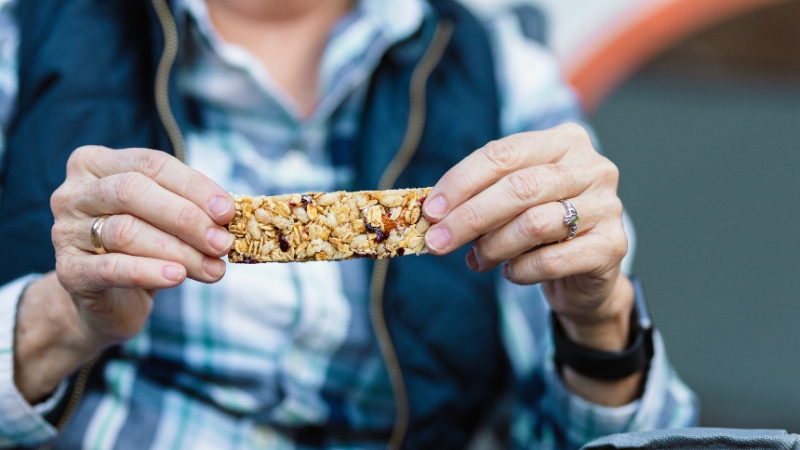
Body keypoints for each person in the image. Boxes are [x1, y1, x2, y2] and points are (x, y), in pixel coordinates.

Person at [0, 0, 697, 448]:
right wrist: (58, 322)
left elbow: (625, 437)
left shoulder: (501, 74)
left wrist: (600, 326)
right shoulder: (28, 31)